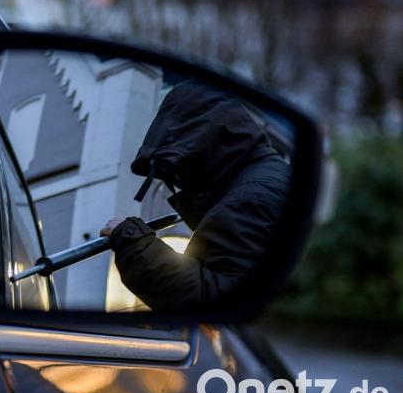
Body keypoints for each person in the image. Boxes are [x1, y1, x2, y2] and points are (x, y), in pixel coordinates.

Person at [99, 80, 291, 311]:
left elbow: (214, 300)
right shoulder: (265, 176)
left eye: (180, 168)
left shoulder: (247, 200)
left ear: (199, 151)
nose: (180, 181)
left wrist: (130, 239)